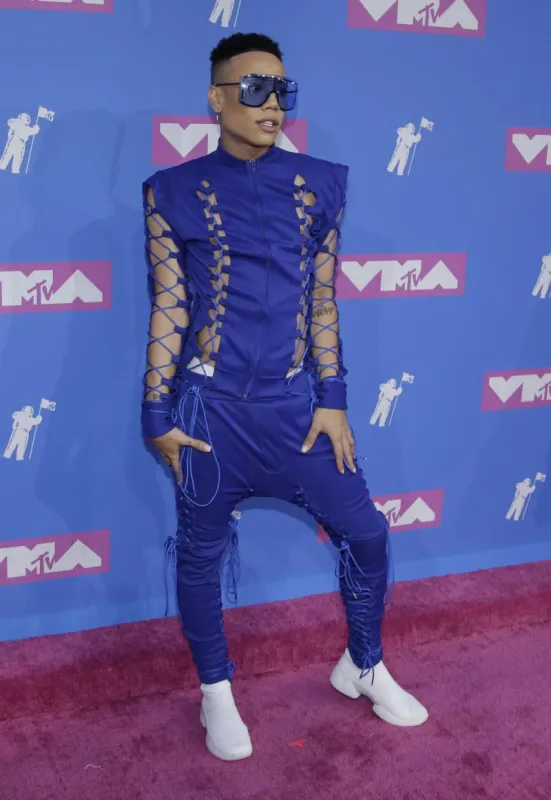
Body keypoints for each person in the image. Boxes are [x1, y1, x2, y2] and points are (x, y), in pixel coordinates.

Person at [141, 32, 428, 762]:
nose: (272, 104)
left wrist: (331, 396)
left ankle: (361, 665)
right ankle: (216, 693)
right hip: (210, 418)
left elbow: (322, 303)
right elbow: (169, 309)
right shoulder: (168, 192)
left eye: (282, 89)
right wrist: (155, 414)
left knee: (366, 534)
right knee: (201, 557)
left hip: (298, 413)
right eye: (254, 88)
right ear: (216, 98)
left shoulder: (321, 182)